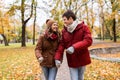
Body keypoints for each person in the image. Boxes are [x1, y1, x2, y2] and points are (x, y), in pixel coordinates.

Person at [55, 10, 93, 80]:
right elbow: (61, 45)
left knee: (80, 78)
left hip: (82, 58)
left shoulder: (84, 27)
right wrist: (57, 58)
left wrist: (74, 47)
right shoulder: (64, 31)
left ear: (70, 19)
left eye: (65, 20)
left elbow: (88, 41)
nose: (64, 22)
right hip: (72, 60)